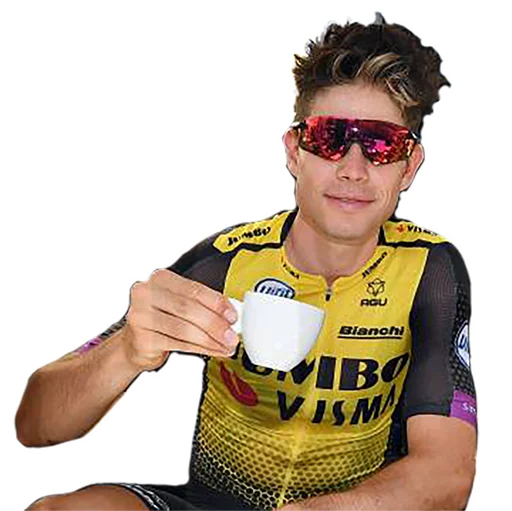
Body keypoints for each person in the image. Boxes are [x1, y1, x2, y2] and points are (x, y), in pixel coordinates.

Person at [18, 12, 477, 511]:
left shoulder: (429, 271)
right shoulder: (227, 262)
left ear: (409, 166)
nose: (353, 169)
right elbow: (35, 424)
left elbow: (448, 474)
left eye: (381, 145)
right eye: (330, 138)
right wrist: (127, 350)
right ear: (295, 152)